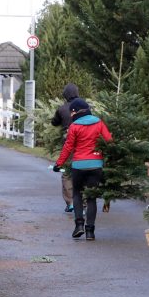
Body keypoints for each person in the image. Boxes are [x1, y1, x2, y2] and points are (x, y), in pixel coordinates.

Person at [53, 98, 111, 241]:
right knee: (91, 198)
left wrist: (59, 164)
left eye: (71, 112)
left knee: (77, 194)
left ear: (75, 111)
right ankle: (90, 232)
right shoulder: (99, 122)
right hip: (96, 165)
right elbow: (109, 140)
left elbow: (68, 147)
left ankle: (79, 225)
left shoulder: (74, 126)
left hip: (78, 165)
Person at [50, 83, 80, 212]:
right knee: (81, 173)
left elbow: (54, 122)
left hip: (68, 144)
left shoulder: (62, 109)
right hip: (84, 144)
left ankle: (70, 202)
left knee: (67, 173)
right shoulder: (85, 107)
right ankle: (82, 203)